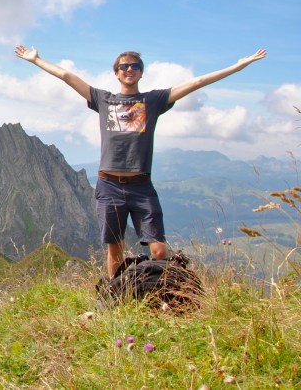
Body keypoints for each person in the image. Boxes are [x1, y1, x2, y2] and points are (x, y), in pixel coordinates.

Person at [14, 44, 267, 277]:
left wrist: (239, 65)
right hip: (109, 185)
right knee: (115, 250)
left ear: (141, 72)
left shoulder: (153, 101)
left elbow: (197, 82)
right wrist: (36, 60)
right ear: (116, 73)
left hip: (141, 186)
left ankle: (161, 290)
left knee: (158, 250)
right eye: (123, 66)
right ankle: (114, 297)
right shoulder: (103, 100)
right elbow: (67, 77)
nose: (129, 69)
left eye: (134, 66)